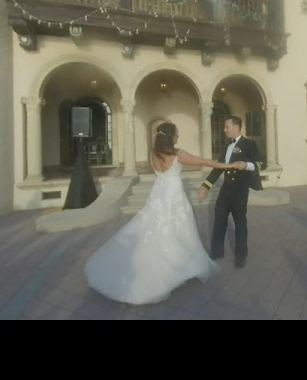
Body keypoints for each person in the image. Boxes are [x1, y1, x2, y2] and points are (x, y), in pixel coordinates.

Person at [84, 122, 243, 305]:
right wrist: (230, 165)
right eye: (176, 134)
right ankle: (176, 268)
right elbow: (205, 162)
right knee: (179, 230)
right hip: (174, 198)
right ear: (170, 137)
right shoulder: (176, 154)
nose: (178, 137)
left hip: (158, 195)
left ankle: (171, 264)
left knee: (151, 228)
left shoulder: (153, 154)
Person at [197, 116, 265, 269]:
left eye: (227, 126)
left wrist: (246, 165)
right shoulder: (226, 147)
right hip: (226, 189)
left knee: (240, 222)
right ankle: (217, 251)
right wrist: (205, 186)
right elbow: (217, 168)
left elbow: (262, 164)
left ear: (236, 127)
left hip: (240, 189)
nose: (224, 130)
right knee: (219, 218)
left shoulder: (249, 144)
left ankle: (241, 255)